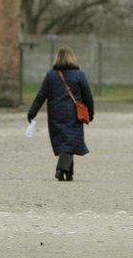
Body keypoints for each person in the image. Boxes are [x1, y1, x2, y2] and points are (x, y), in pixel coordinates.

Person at [27, 47, 95, 181]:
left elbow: (41, 95)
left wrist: (32, 112)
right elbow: (88, 96)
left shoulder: (51, 75)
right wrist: (90, 113)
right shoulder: (79, 75)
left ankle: (69, 173)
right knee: (69, 142)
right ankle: (61, 169)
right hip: (74, 114)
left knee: (65, 142)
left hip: (55, 114)